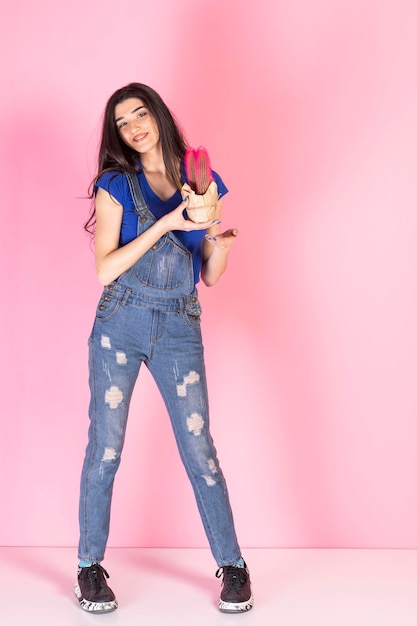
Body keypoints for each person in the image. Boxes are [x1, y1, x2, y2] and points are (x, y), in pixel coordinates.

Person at [75, 83, 253, 614]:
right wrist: (170, 223)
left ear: (158, 115)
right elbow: (105, 268)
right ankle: (89, 566)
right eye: (123, 122)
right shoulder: (114, 184)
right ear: (119, 135)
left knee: (200, 451)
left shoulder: (203, 181)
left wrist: (218, 245)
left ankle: (234, 565)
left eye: (140, 113)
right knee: (105, 450)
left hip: (179, 321)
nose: (133, 126)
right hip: (120, 322)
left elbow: (210, 276)